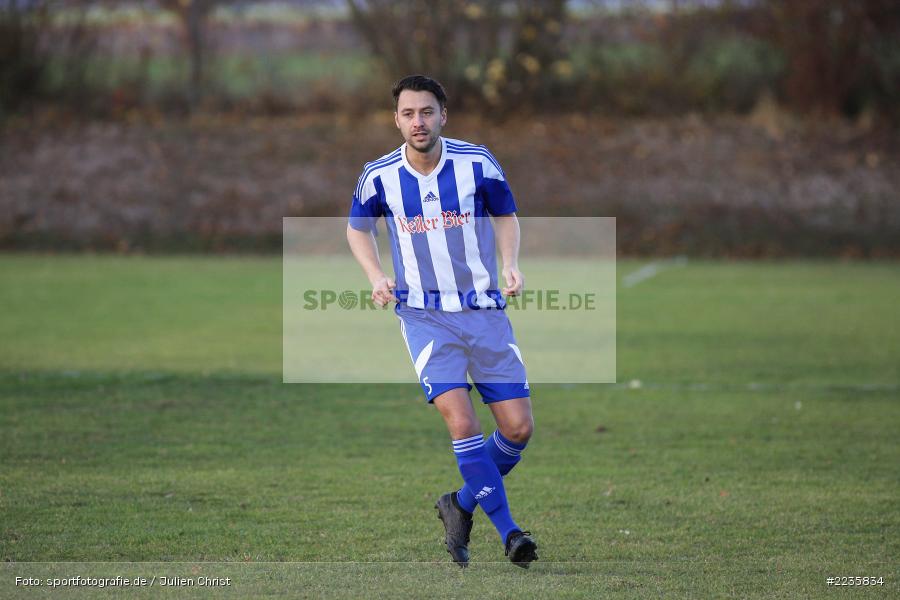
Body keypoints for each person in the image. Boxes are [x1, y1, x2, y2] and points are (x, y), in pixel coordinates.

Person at [346, 74, 537, 568]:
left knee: (517, 429)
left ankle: (460, 503)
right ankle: (510, 533)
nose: (418, 122)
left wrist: (510, 263)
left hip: (483, 312)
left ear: (442, 115)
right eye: (408, 114)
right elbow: (357, 230)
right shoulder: (379, 175)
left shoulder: (477, 162)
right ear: (396, 120)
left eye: (426, 112)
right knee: (462, 420)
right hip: (424, 316)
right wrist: (376, 275)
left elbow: (506, 215)